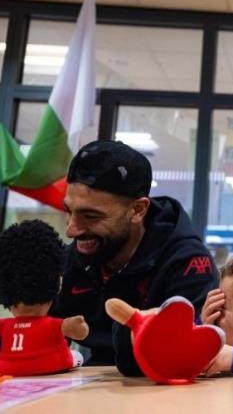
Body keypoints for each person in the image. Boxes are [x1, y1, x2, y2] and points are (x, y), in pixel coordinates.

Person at [52, 140, 219, 376]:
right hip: (94, 381)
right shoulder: (76, 257)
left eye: (90, 216)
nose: (71, 230)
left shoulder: (188, 263)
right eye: (69, 211)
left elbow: (178, 354)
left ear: (138, 210)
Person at [0, 220, 89, 375]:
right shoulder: (52, 324)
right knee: (77, 356)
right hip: (53, 364)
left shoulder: (4, 326)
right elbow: (80, 331)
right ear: (57, 282)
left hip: (7, 368)